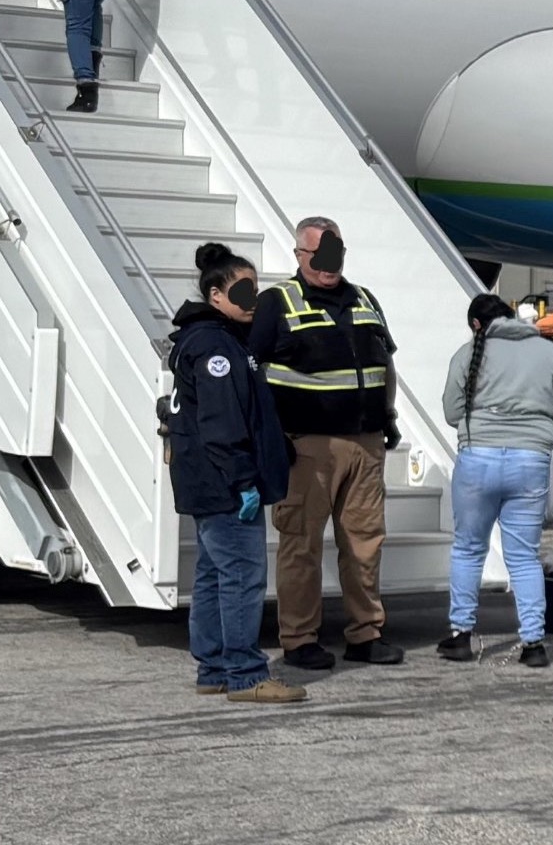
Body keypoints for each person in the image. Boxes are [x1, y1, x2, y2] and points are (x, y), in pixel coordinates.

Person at [248, 216, 402, 669]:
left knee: (365, 544)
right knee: (301, 545)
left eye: (335, 253)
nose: (328, 264)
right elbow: (252, 372)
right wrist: (271, 436)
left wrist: (388, 415)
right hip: (306, 448)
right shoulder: (276, 303)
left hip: (366, 443)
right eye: (318, 255)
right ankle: (299, 640)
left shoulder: (365, 299)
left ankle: (365, 634)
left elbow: (385, 364)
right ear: (300, 255)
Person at [168, 255, 301, 705]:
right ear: (216, 295)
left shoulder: (211, 340)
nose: (253, 300)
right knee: (242, 576)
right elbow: (222, 422)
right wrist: (244, 480)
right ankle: (246, 674)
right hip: (224, 484)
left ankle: (214, 668)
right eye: (242, 291)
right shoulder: (216, 348)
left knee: (212, 575)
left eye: (255, 290)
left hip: (208, 483)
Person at [438, 288, 553, 666]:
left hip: (477, 461)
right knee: (524, 557)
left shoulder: (468, 353)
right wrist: (536, 430)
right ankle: (533, 644)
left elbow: (451, 412)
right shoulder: (550, 353)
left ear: (477, 324)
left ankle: (461, 636)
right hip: (530, 463)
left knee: (468, 549)